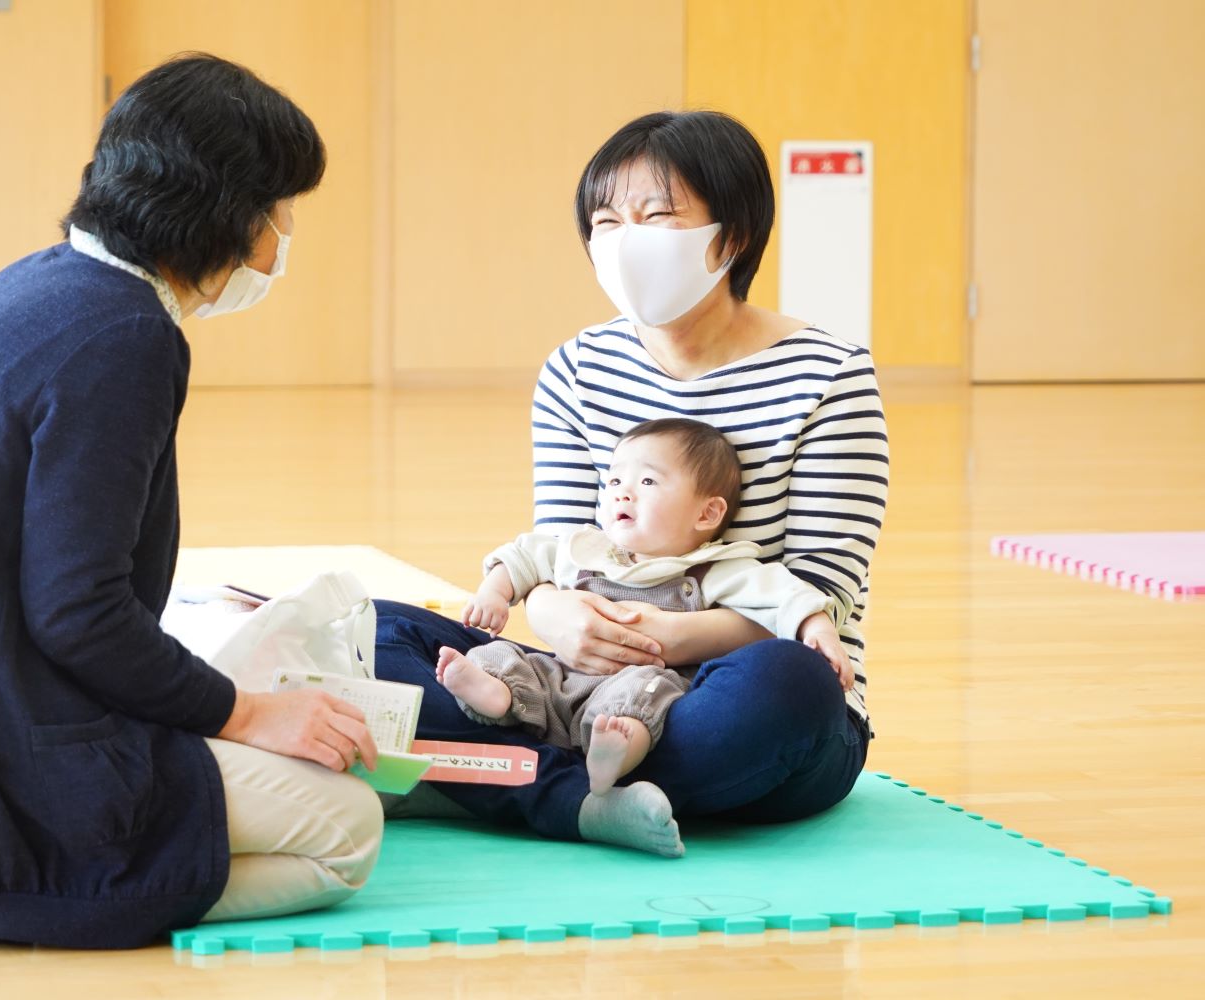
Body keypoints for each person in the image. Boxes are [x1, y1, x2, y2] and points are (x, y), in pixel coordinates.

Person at [0, 54, 384, 950]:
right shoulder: (125, 336)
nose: (282, 238)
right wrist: (249, 713)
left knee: (256, 741)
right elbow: (79, 613)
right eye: (279, 208)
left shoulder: (44, 282)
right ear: (223, 211)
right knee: (349, 831)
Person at [375, 110, 886, 859]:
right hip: (577, 691)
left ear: (732, 235)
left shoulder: (830, 375)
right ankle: (579, 796)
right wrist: (551, 614)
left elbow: (820, 589)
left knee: (793, 683)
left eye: (657, 216)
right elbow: (558, 548)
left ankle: (498, 781)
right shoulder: (578, 369)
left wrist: (668, 637)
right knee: (377, 632)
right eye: (606, 220)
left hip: (730, 692)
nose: (624, 240)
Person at [437, 418, 852, 805]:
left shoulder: (713, 569)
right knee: (495, 656)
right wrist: (494, 592)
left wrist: (818, 630)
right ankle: (498, 695)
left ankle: (614, 754)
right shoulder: (586, 549)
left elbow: (786, 594)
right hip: (563, 678)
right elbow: (523, 557)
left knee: (645, 693)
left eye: (648, 480)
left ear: (707, 513)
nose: (622, 491)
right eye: (615, 480)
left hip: (642, 687)